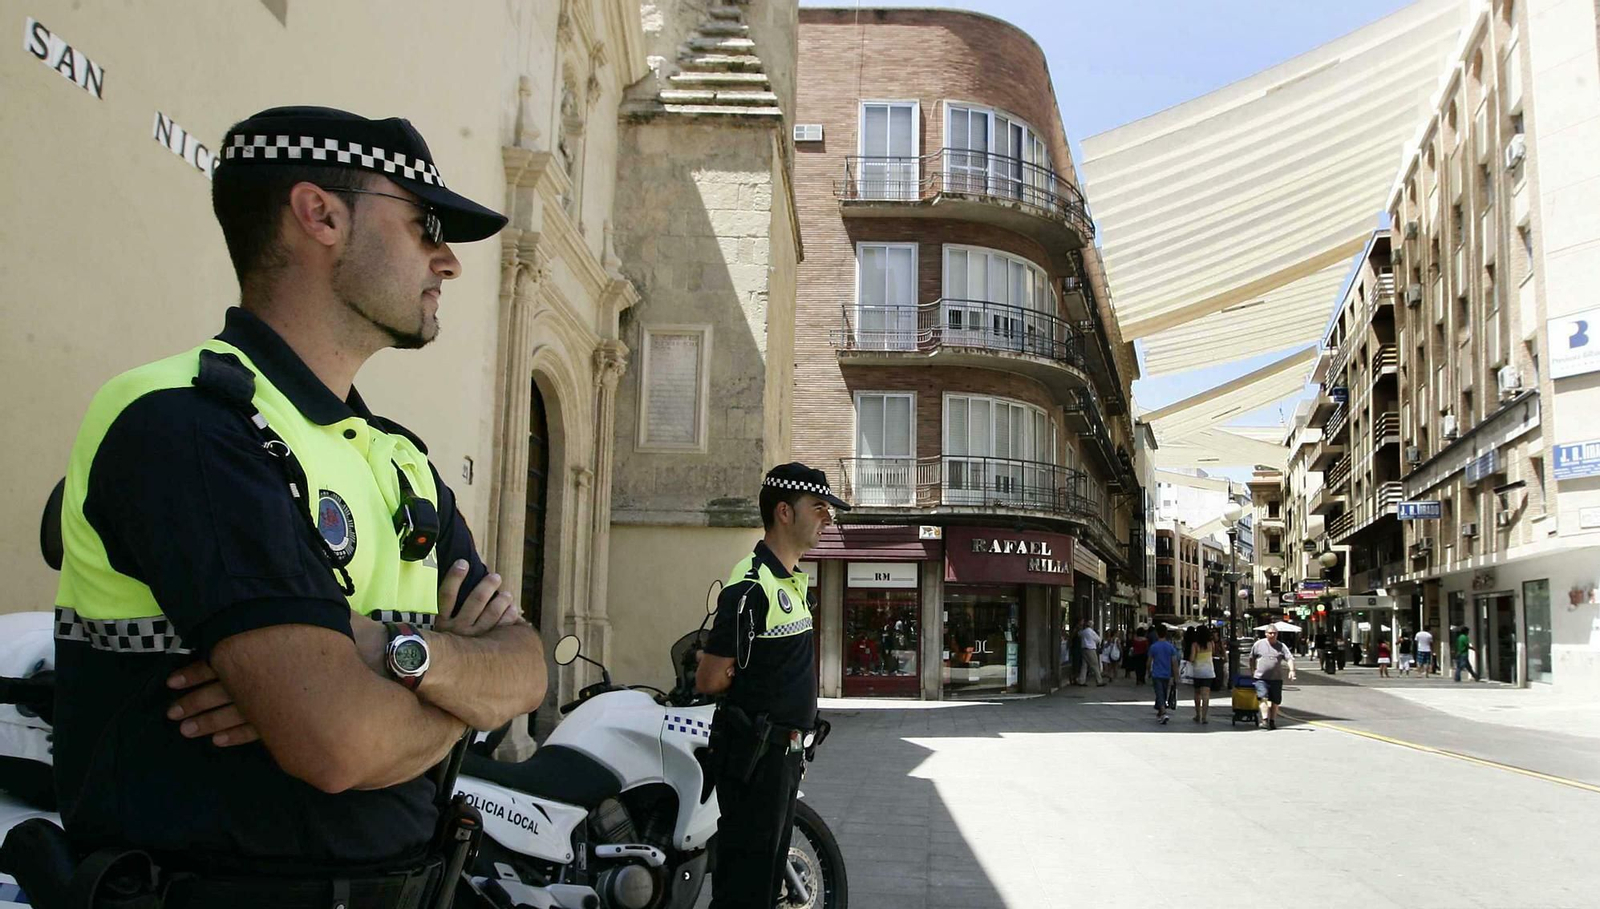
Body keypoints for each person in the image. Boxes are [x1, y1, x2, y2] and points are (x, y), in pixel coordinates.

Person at [44, 106, 546, 904]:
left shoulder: (398, 458)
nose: (447, 261)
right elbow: (337, 741)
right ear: (320, 214)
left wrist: (389, 652)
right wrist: (457, 688)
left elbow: (527, 668)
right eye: (425, 224)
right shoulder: (185, 424)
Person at [697, 463, 848, 907]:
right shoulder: (750, 586)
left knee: (763, 888)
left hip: (783, 759)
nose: (828, 518)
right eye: (818, 508)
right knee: (745, 890)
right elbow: (710, 677)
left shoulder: (791, 580)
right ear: (784, 512)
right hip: (755, 760)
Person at [1249, 626, 1296, 730]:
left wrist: (1292, 670)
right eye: (1270, 633)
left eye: (1274, 633)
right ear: (1265, 634)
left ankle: (1272, 721)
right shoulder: (1258, 644)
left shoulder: (1281, 646)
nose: (1272, 635)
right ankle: (1264, 720)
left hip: (1276, 678)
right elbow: (1252, 658)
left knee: (1275, 701)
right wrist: (1253, 670)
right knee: (1263, 697)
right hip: (1260, 677)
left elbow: (1289, 658)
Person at [1147, 625, 1180, 725]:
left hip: (1157, 673)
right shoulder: (1170, 647)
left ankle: (1163, 712)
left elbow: (1149, 661)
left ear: (1157, 634)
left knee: (1159, 693)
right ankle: (1160, 712)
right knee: (1163, 693)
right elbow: (1174, 662)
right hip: (1167, 674)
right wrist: (1176, 676)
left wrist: (1148, 671)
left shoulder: (1154, 647)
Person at [1187, 626, 1217, 723]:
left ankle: (1197, 715)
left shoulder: (1195, 645)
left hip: (1198, 672)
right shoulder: (1211, 643)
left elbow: (1192, 658)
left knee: (1197, 694)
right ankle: (1204, 717)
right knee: (1206, 695)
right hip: (1208, 672)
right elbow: (1213, 654)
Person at [1077, 619, 1105, 686]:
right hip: (1091, 649)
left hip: (1084, 649)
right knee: (1095, 665)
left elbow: (1079, 634)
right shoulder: (1091, 632)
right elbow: (1098, 639)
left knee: (1084, 665)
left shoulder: (1083, 632)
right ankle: (1099, 681)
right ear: (1091, 626)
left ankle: (1081, 680)